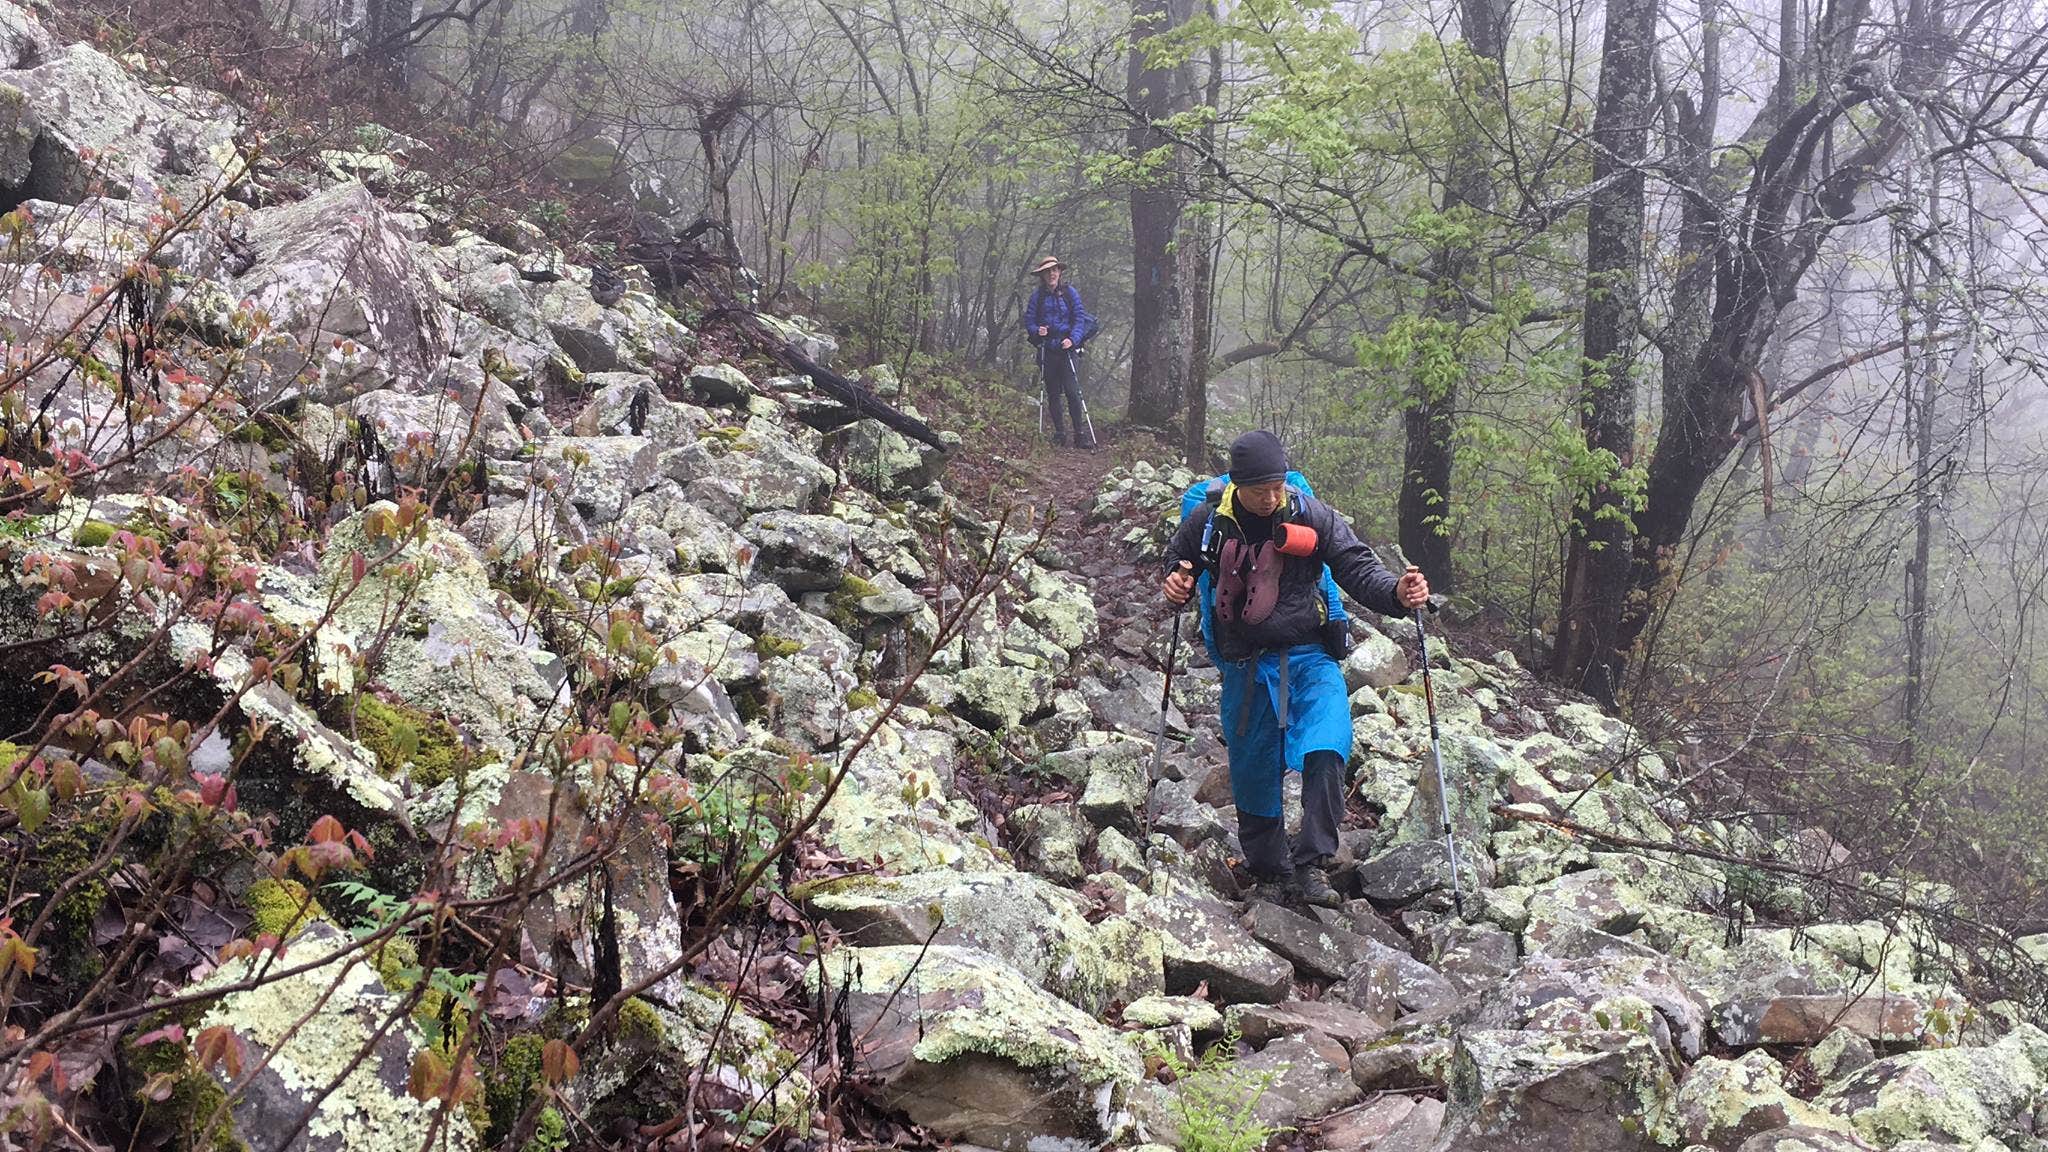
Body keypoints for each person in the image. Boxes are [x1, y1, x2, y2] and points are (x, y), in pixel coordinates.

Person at [1163, 430, 1430, 907]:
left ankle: (1312, 863)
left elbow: (1355, 566)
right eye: (1260, 489)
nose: (1271, 498)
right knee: (1253, 767)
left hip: (1310, 655)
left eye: (1278, 486)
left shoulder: (1311, 514)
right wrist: (1175, 583)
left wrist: (1396, 593)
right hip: (1246, 663)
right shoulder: (1208, 522)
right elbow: (1180, 561)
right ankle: (1267, 870)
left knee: (1327, 744)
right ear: (1237, 487)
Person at [1022, 256, 1097, 449]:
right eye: (1047, 272)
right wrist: (1037, 331)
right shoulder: (1037, 297)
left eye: (1054, 270)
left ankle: (1079, 434)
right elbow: (1029, 321)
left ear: (1059, 272)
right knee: (1053, 392)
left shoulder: (1070, 293)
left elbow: (1079, 319)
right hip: (1047, 348)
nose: (1051, 274)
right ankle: (1059, 433)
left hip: (1068, 349)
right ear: (1043, 276)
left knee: (1072, 391)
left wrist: (1072, 339)